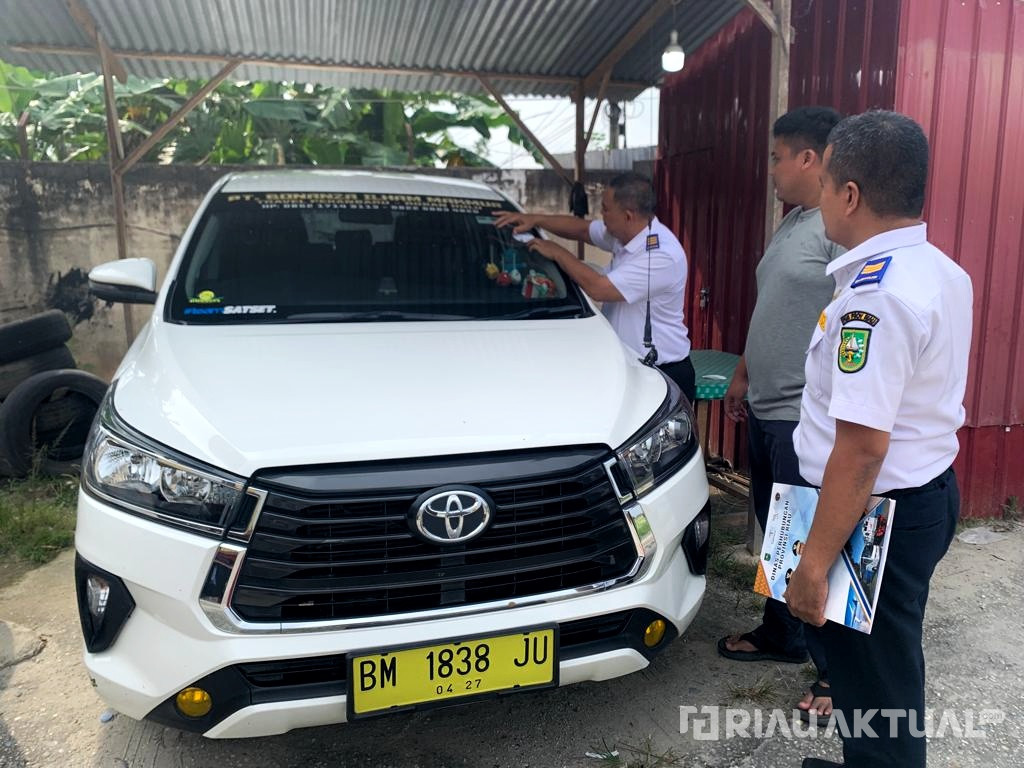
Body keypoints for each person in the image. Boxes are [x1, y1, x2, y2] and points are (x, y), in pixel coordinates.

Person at [784, 110, 973, 768]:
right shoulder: (941, 271)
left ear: (851, 195)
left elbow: (863, 448)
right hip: (921, 496)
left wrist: (813, 564)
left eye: (827, 182)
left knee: (874, 685)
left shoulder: (877, 296)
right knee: (884, 667)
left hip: (874, 515)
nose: (821, 199)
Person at [717, 106, 842, 725]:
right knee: (779, 535)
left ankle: (832, 670)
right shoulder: (792, 223)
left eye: (775, 157)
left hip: (803, 416)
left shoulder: (837, 229)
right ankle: (784, 635)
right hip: (768, 408)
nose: (769, 169)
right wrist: (744, 370)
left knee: (814, 537)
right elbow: (773, 306)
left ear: (810, 159)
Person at [492, 172, 695, 402]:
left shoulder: (660, 255)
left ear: (628, 216)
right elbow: (581, 229)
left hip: (661, 373)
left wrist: (557, 252)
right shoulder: (624, 235)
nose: (601, 214)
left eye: (606, 209)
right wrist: (534, 219)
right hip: (627, 367)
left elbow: (598, 288)